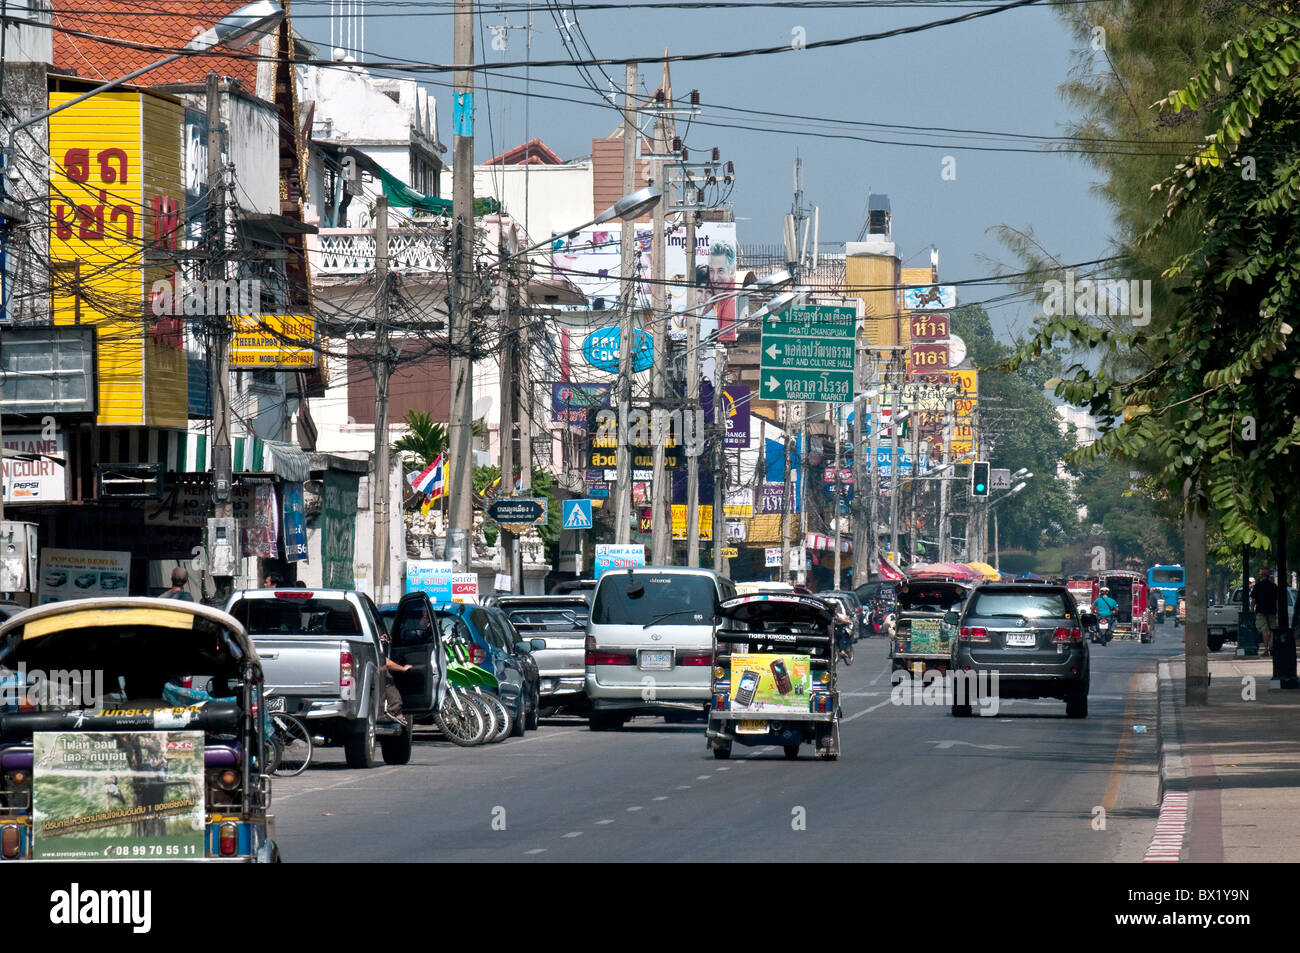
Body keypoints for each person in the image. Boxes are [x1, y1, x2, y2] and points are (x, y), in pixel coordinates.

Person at [1252, 568, 1282, 655]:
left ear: (1262, 575)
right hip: (1272, 611)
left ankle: (1265, 649)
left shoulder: (1258, 586)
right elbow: (1277, 601)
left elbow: (1253, 600)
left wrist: (1252, 610)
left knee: (1265, 630)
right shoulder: (1273, 586)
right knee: (1272, 629)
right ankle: (1271, 646)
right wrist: (1277, 610)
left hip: (1261, 611)